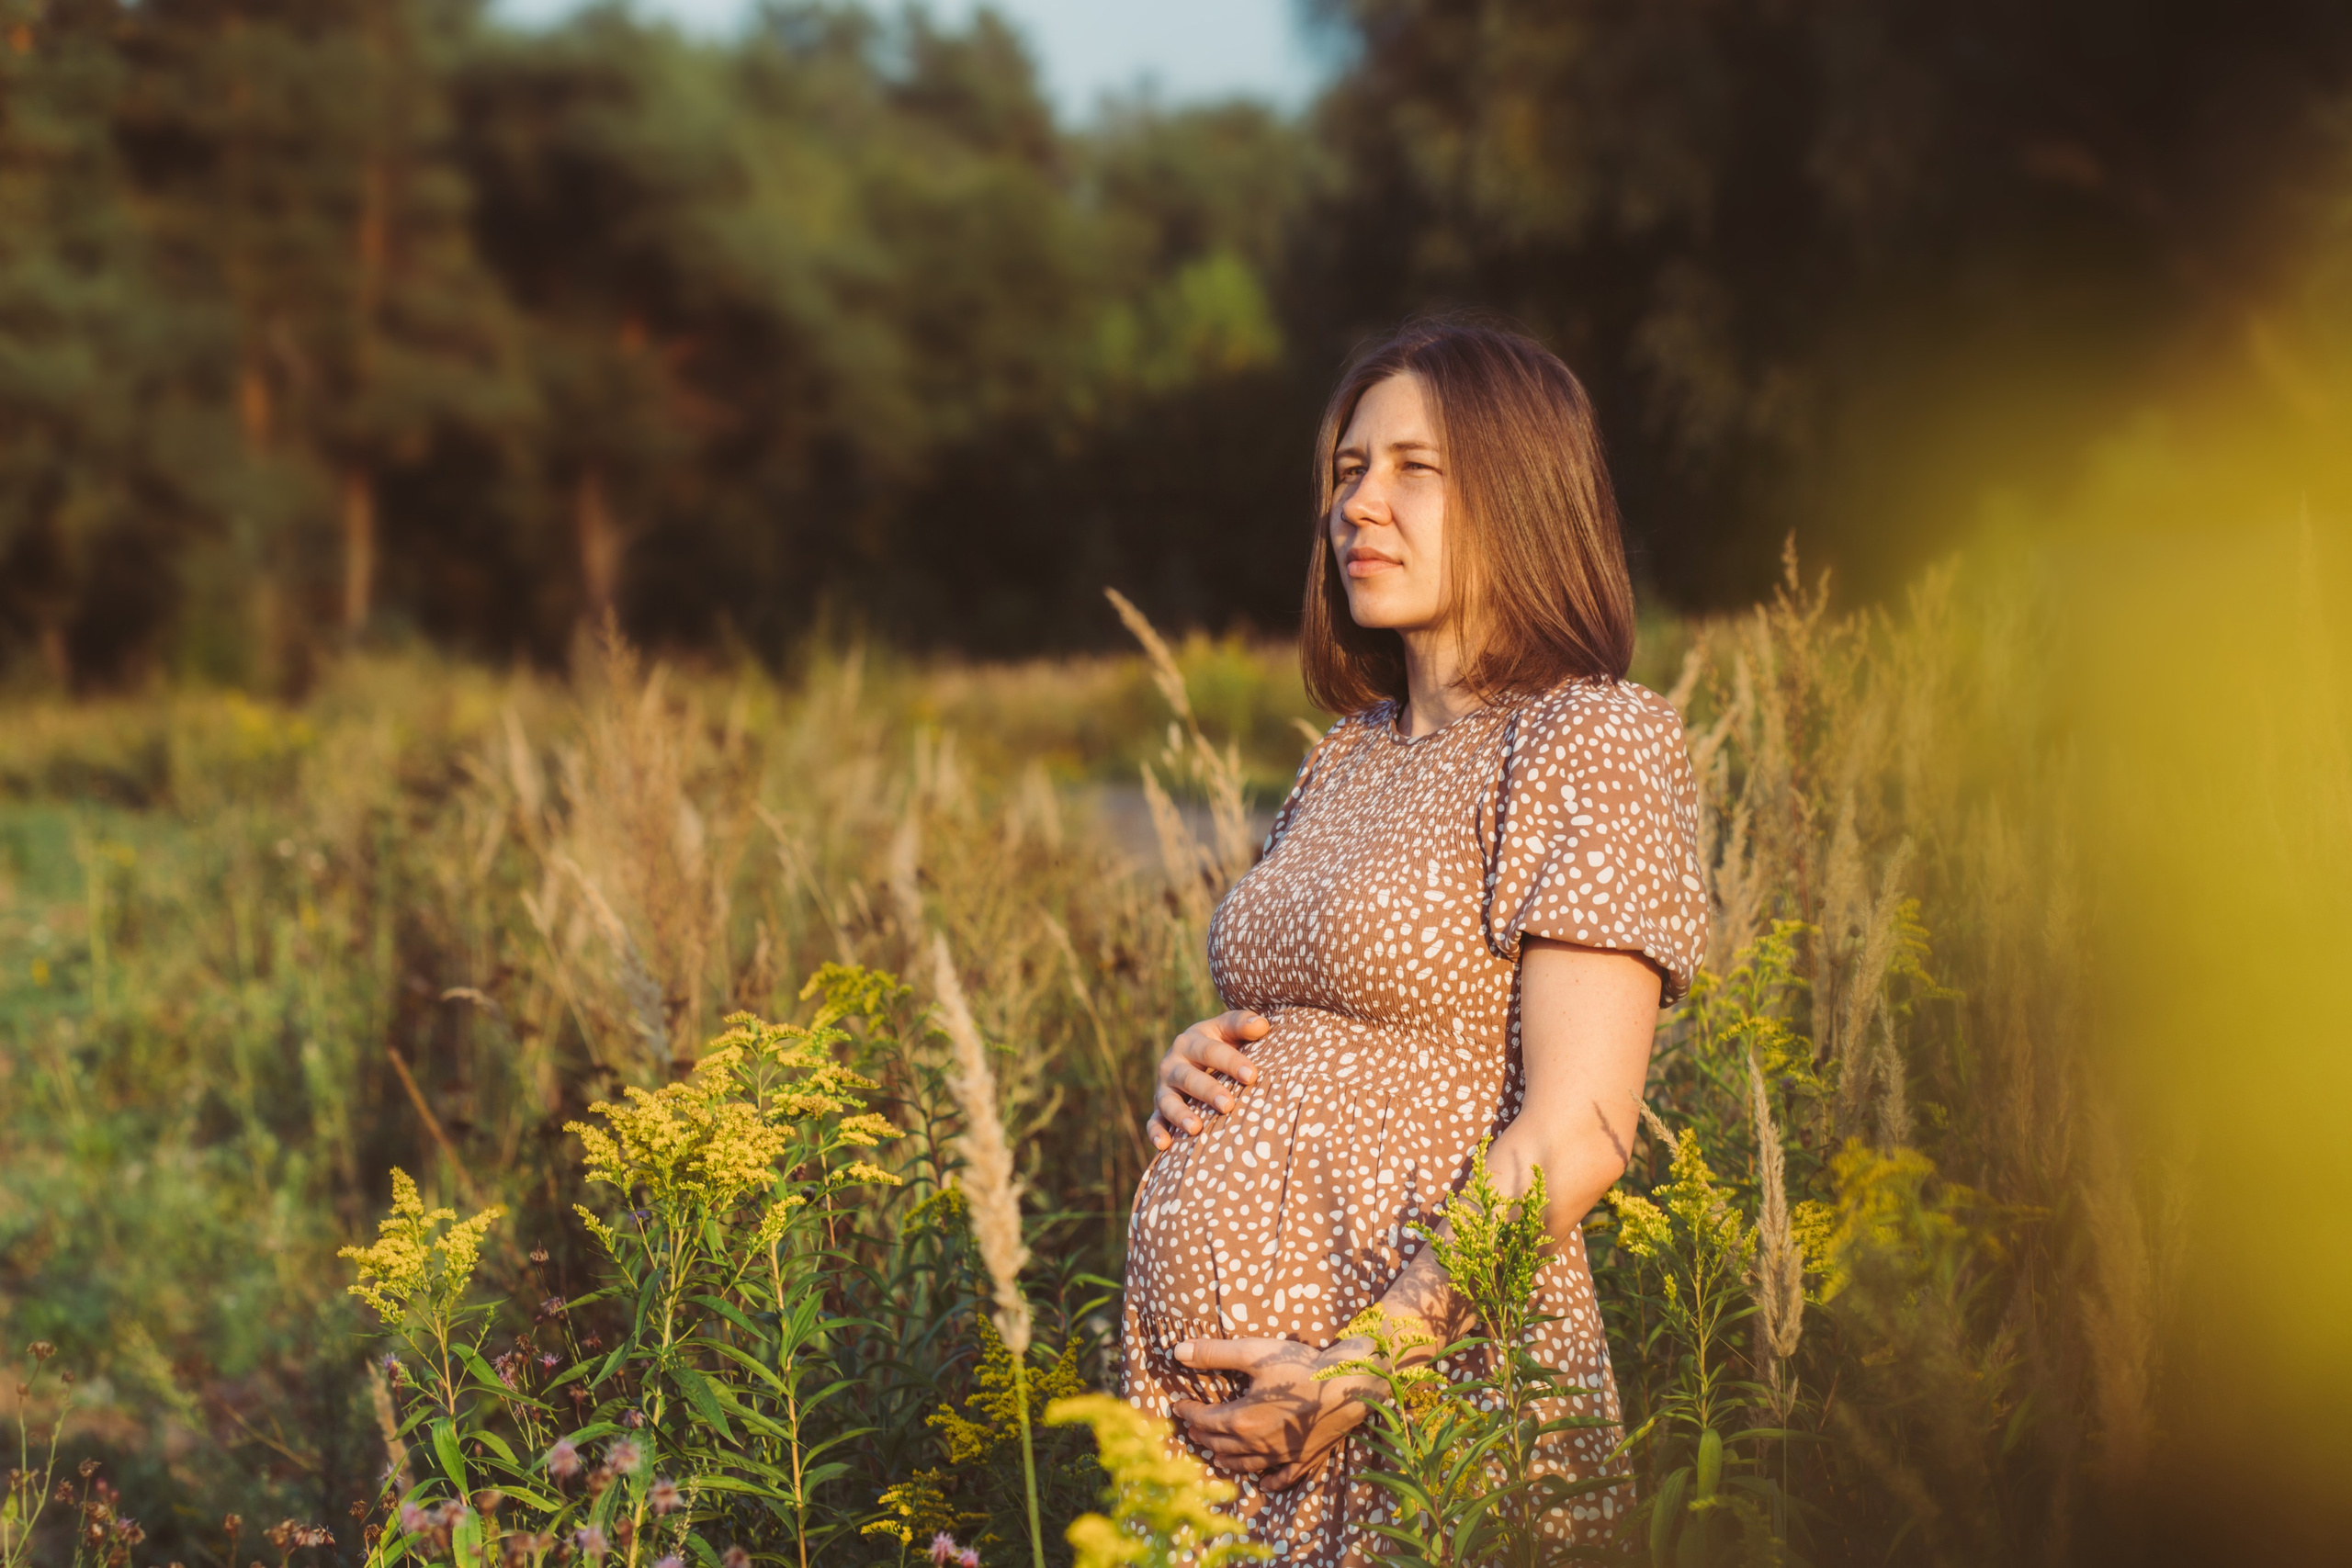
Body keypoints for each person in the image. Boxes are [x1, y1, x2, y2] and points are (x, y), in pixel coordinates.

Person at [1117, 318, 1710, 1563]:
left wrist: (1354, 1371)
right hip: (1225, 1426)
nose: (1358, 505)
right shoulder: (1344, 757)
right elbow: (1318, 1017)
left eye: (1413, 469)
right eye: (1347, 471)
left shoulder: (1588, 738)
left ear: (1523, 494)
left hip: (1418, 1408)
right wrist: (1201, 1061)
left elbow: (1580, 1132)